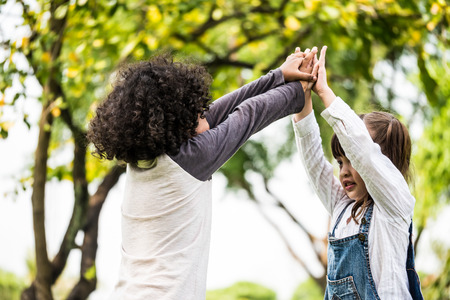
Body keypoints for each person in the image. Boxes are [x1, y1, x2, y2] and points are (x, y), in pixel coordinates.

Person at [87, 50, 317, 299]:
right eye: (197, 111)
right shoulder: (189, 159)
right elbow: (249, 113)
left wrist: (280, 75)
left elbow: (220, 111)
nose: (204, 113)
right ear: (178, 122)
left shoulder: (143, 161)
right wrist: (301, 88)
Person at [292, 46, 423, 299]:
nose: (344, 171)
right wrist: (303, 98)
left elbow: (364, 151)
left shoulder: (394, 204)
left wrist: (324, 91)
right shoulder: (342, 207)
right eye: (340, 162)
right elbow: (314, 163)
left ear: (385, 164)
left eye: (351, 160)